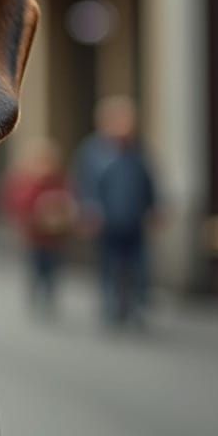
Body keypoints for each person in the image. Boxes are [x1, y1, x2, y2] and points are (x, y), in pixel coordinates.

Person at [73, 96, 157, 327]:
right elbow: (85, 184)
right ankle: (111, 304)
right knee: (109, 263)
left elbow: (148, 181)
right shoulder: (93, 152)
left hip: (134, 218)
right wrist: (88, 211)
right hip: (107, 220)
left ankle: (136, 305)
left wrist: (154, 207)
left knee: (138, 265)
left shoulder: (137, 150)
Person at [0, 139, 76, 313]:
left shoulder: (60, 181)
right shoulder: (27, 182)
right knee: (36, 266)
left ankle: (49, 296)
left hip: (56, 237)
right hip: (34, 236)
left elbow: (70, 200)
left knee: (53, 268)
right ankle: (36, 296)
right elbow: (17, 203)